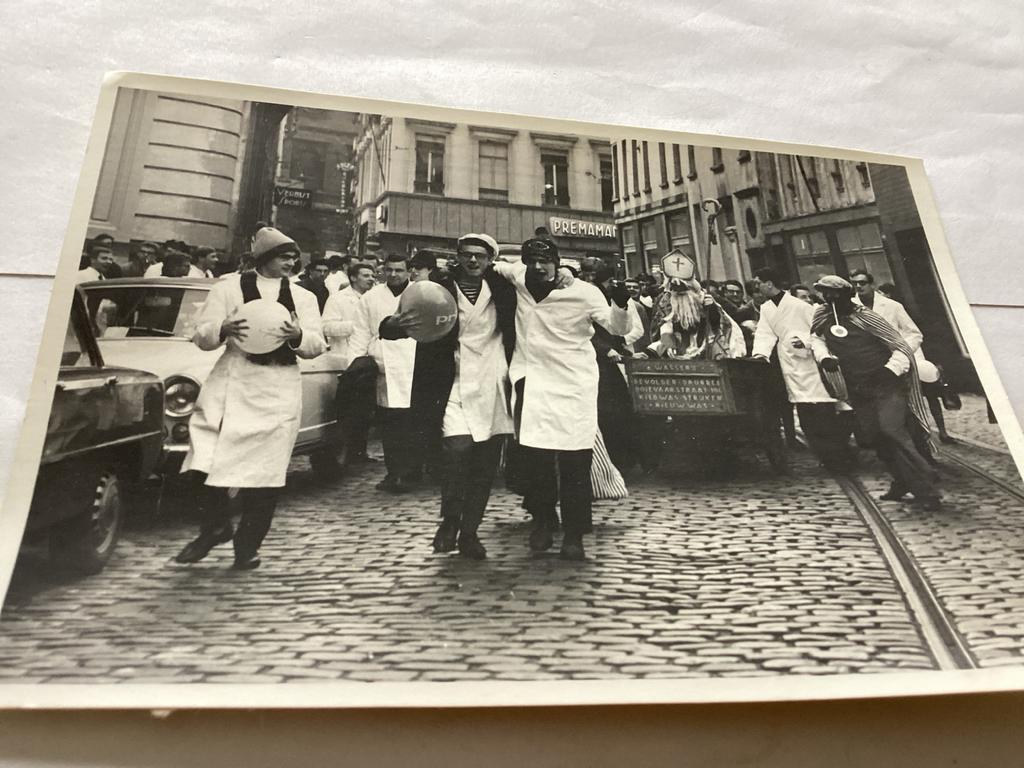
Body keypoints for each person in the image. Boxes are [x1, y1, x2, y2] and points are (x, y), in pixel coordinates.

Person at [174, 227, 326, 569]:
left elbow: (317, 344)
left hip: (277, 388)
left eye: (293, 257)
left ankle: (248, 546)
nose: (290, 262)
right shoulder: (228, 289)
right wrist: (221, 330)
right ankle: (214, 528)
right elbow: (201, 335)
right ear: (264, 258)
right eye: (283, 256)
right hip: (232, 381)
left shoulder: (303, 297)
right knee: (203, 460)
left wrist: (299, 335)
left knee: (265, 474)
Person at [491, 237, 631, 560]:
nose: (538, 267)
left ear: (557, 262)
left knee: (575, 463)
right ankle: (542, 520)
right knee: (536, 459)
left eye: (545, 261)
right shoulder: (518, 278)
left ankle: (574, 535)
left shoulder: (583, 292)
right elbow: (496, 266)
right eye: (532, 261)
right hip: (534, 381)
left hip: (573, 385)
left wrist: (620, 304)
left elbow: (616, 326)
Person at [403, 233, 518, 559]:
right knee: (457, 449)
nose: (472, 261)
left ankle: (469, 532)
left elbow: (537, 284)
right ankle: (450, 520)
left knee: (485, 462)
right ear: (457, 256)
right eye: (467, 255)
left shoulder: (503, 289)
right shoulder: (440, 287)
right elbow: (408, 317)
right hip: (452, 380)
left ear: (489, 260)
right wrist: (395, 323)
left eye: (479, 256)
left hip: (492, 381)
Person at [809, 275, 940, 509]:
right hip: (858, 387)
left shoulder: (867, 317)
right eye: (825, 294)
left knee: (891, 430)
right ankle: (901, 481)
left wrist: (891, 370)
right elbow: (816, 338)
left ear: (847, 295)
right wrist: (824, 356)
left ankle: (927, 488)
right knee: (874, 436)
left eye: (834, 294)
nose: (829, 299)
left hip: (886, 384)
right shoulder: (822, 315)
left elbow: (900, 345)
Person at [752, 268, 849, 469]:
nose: (757, 286)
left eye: (759, 282)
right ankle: (826, 457)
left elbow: (819, 332)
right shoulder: (767, 308)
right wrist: (760, 354)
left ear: (769, 283)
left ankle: (838, 458)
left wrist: (804, 342)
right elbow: (764, 333)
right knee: (805, 416)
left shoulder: (800, 306)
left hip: (810, 364)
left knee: (823, 413)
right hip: (788, 363)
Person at [850, 268, 955, 442]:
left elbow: (914, 333)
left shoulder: (892, 306)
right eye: (855, 284)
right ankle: (906, 441)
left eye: (862, 283)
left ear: (871, 284)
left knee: (925, 395)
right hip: (875, 364)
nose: (859, 287)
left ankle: (936, 433)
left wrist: (903, 351)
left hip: (904, 359)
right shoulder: (852, 308)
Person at [348, 253, 423, 493]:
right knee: (389, 425)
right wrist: (357, 363)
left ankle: (412, 472)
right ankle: (393, 472)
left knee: (412, 423)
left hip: (413, 365)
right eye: (389, 270)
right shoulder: (371, 298)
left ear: (408, 271)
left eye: (399, 270)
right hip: (384, 368)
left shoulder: (421, 294)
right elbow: (360, 332)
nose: (393, 275)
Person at [322, 262, 378, 465]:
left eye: (373, 275)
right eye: (366, 275)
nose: (371, 279)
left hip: (367, 360)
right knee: (346, 410)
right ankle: (341, 453)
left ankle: (359, 452)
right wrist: (356, 326)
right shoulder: (338, 299)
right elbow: (327, 327)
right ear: (353, 278)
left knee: (364, 409)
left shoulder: (374, 298)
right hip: (345, 359)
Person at [646, 251, 745, 360]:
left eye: (683, 287)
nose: (679, 293)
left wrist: (711, 309)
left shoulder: (704, 297)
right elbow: (665, 328)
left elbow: (719, 325)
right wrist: (668, 345)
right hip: (676, 345)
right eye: (674, 288)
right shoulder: (665, 301)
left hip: (705, 345)